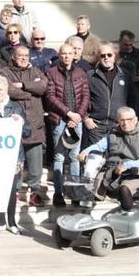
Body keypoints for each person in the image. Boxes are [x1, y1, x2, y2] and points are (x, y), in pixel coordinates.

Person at [79, 107, 139, 212]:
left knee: (124, 189)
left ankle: (127, 217)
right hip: (112, 171)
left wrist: (127, 165)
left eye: (129, 119)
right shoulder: (113, 133)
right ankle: (88, 217)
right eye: (122, 120)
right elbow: (99, 146)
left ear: (135, 119)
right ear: (118, 121)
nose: (125, 123)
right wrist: (85, 152)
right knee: (90, 189)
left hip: (135, 174)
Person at [0, 45, 48, 207]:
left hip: (35, 123)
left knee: (35, 161)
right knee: (16, 162)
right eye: (20, 55)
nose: (23, 58)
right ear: (13, 56)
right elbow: (9, 90)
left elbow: (43, 87)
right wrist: (30, 92)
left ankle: (34, 192)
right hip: (14, 124)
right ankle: (16, 190)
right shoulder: (5, 72)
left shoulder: (36, 71)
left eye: (26, 56)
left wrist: (24, 85)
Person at [0, 76, 30, 234]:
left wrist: (20, 122)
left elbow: (28, 132)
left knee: (11, 190)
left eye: (0, 89)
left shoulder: (16, 108)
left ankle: (12, 222)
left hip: (14, 157)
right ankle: (1, 221)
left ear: (6, 90)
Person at [44, 43, 90, 207]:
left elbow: (85, 96)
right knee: (59, 157)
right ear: (60, 55)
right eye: (63, 53)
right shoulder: (51, 73)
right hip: (59, 120)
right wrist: (68, 113)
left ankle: (75, 193)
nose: (66, 56)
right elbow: (50, 97)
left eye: (69, 53)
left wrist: (78, 116)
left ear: (74, 55)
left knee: (74, 157)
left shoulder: (80, 72)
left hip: (76, 120)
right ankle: (58, 193)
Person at [85, 42, 134, 149]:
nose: (106, 58)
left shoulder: (125, 75)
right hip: (96, 126)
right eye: (103, 55)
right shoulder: (90, 75)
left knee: (115, 159)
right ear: (98, 57)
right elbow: (84, 99)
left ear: (114, 56)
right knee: (95, 160)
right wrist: (86, 118)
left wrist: (131, 120)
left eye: (109, 55)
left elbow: (132, 99)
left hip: (118, 125)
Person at [118, 30, 139, 120]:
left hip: (136, 93)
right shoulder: (116, 54)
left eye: (131, 44)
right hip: (120, 93)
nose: (129, 47)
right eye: (126, 44)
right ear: (120, 41)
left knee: (136, 120)